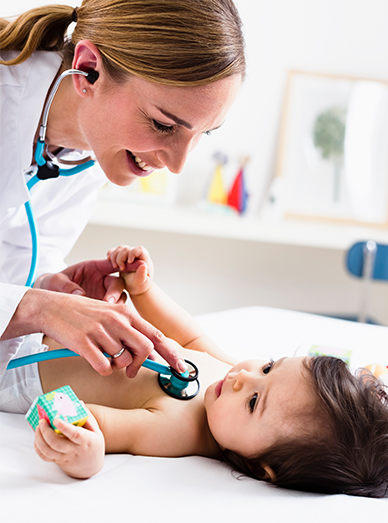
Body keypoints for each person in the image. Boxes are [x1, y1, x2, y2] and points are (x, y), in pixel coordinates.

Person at [19, 245, 388, 498]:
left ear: (260, 468)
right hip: (57, 318)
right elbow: (189, 335)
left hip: (24, 370)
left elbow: (99, 423)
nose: (244, 377)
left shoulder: (179, 430)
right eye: (269, 366)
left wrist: (86, 455)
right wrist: (144, 289)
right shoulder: (230, 377)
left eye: (255, 401)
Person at [0, 1, 245, 378]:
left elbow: (24, 246)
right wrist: (37, 308)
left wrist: (49, 287)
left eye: (202, 133)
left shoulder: (92, 145)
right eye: (164, 126)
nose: (177, 165)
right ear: (89, 70)